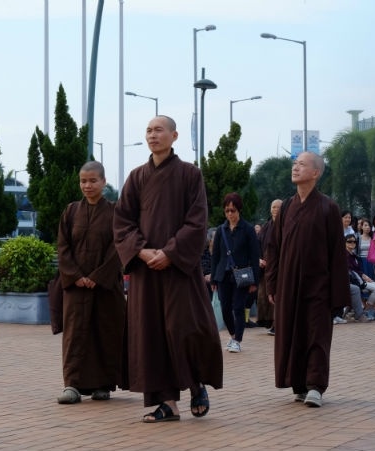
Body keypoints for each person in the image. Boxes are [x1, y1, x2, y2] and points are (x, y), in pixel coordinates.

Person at [113, 115, 222, 423]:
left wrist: (171, 253)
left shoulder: (190, 175)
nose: (152, 135)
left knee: (184, 329)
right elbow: (122, 222)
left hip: (178, 270)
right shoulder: (136, 177)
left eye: (159, 130)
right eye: (148, 130)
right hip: (146, 272)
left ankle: (196, 383)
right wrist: (142, 251)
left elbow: (197, 221)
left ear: (174, 136)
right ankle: (167, 404)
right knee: (151, 335)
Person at [264, 151, 350, 408]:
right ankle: (298, 384)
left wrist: (338, 294)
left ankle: (315, 386)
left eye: (301, 165)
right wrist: (272, 282)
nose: (295, 168)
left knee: (316, 335)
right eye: (294, 164)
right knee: (292, 333)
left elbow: (337, 253)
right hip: (289, 284)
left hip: (318, 286)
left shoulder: (328, 207)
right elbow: (274, 248)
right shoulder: (288, 207)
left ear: (316, 173)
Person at [55, 161, 127, 405]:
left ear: (104, 182)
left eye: (93, 180)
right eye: (83, 181)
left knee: (104, 333)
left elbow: (118, 248)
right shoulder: (71, 211)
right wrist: (76, 276)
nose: (87, 185)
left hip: (105, 288)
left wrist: (97, 277)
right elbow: (63, 247)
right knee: (75, 335)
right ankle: (72, 385)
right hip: (76, 287)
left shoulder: (116, 212)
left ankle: (103, 385)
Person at [211, 192, 261, 353]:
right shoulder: (221, 230)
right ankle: (233, 335)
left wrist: (255, 281)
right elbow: (216, 256)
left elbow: (254, 256)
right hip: (223, 275)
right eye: (227, 210)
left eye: (233, 210)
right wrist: (213, 278)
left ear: (239, 210)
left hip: (242, 275)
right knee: (225, 308)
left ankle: (237, 340)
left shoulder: (248, 230)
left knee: (238, 307)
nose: (230, 214)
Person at [345, 233, 375, 321]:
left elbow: (358, 271)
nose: (352, 243)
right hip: (355, 281)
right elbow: (351, 272)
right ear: (345, 243)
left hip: (360, 278)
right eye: (349, 241)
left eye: (354, 242)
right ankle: (368, 310)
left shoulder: (354, 255)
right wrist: (363, 277)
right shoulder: (345, 255)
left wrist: (365, 276)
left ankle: (371, 309)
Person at [257, 199, 282, 334]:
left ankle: (277, 324)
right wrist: (259, 259)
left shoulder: (286, 226)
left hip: (279, 268)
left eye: (278, 207)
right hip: (265, 268)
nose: (276, 210)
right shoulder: (266, 227)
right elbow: (257, 245)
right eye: (273, 207)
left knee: (277, 296)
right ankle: (269, 322)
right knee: (264, 296)